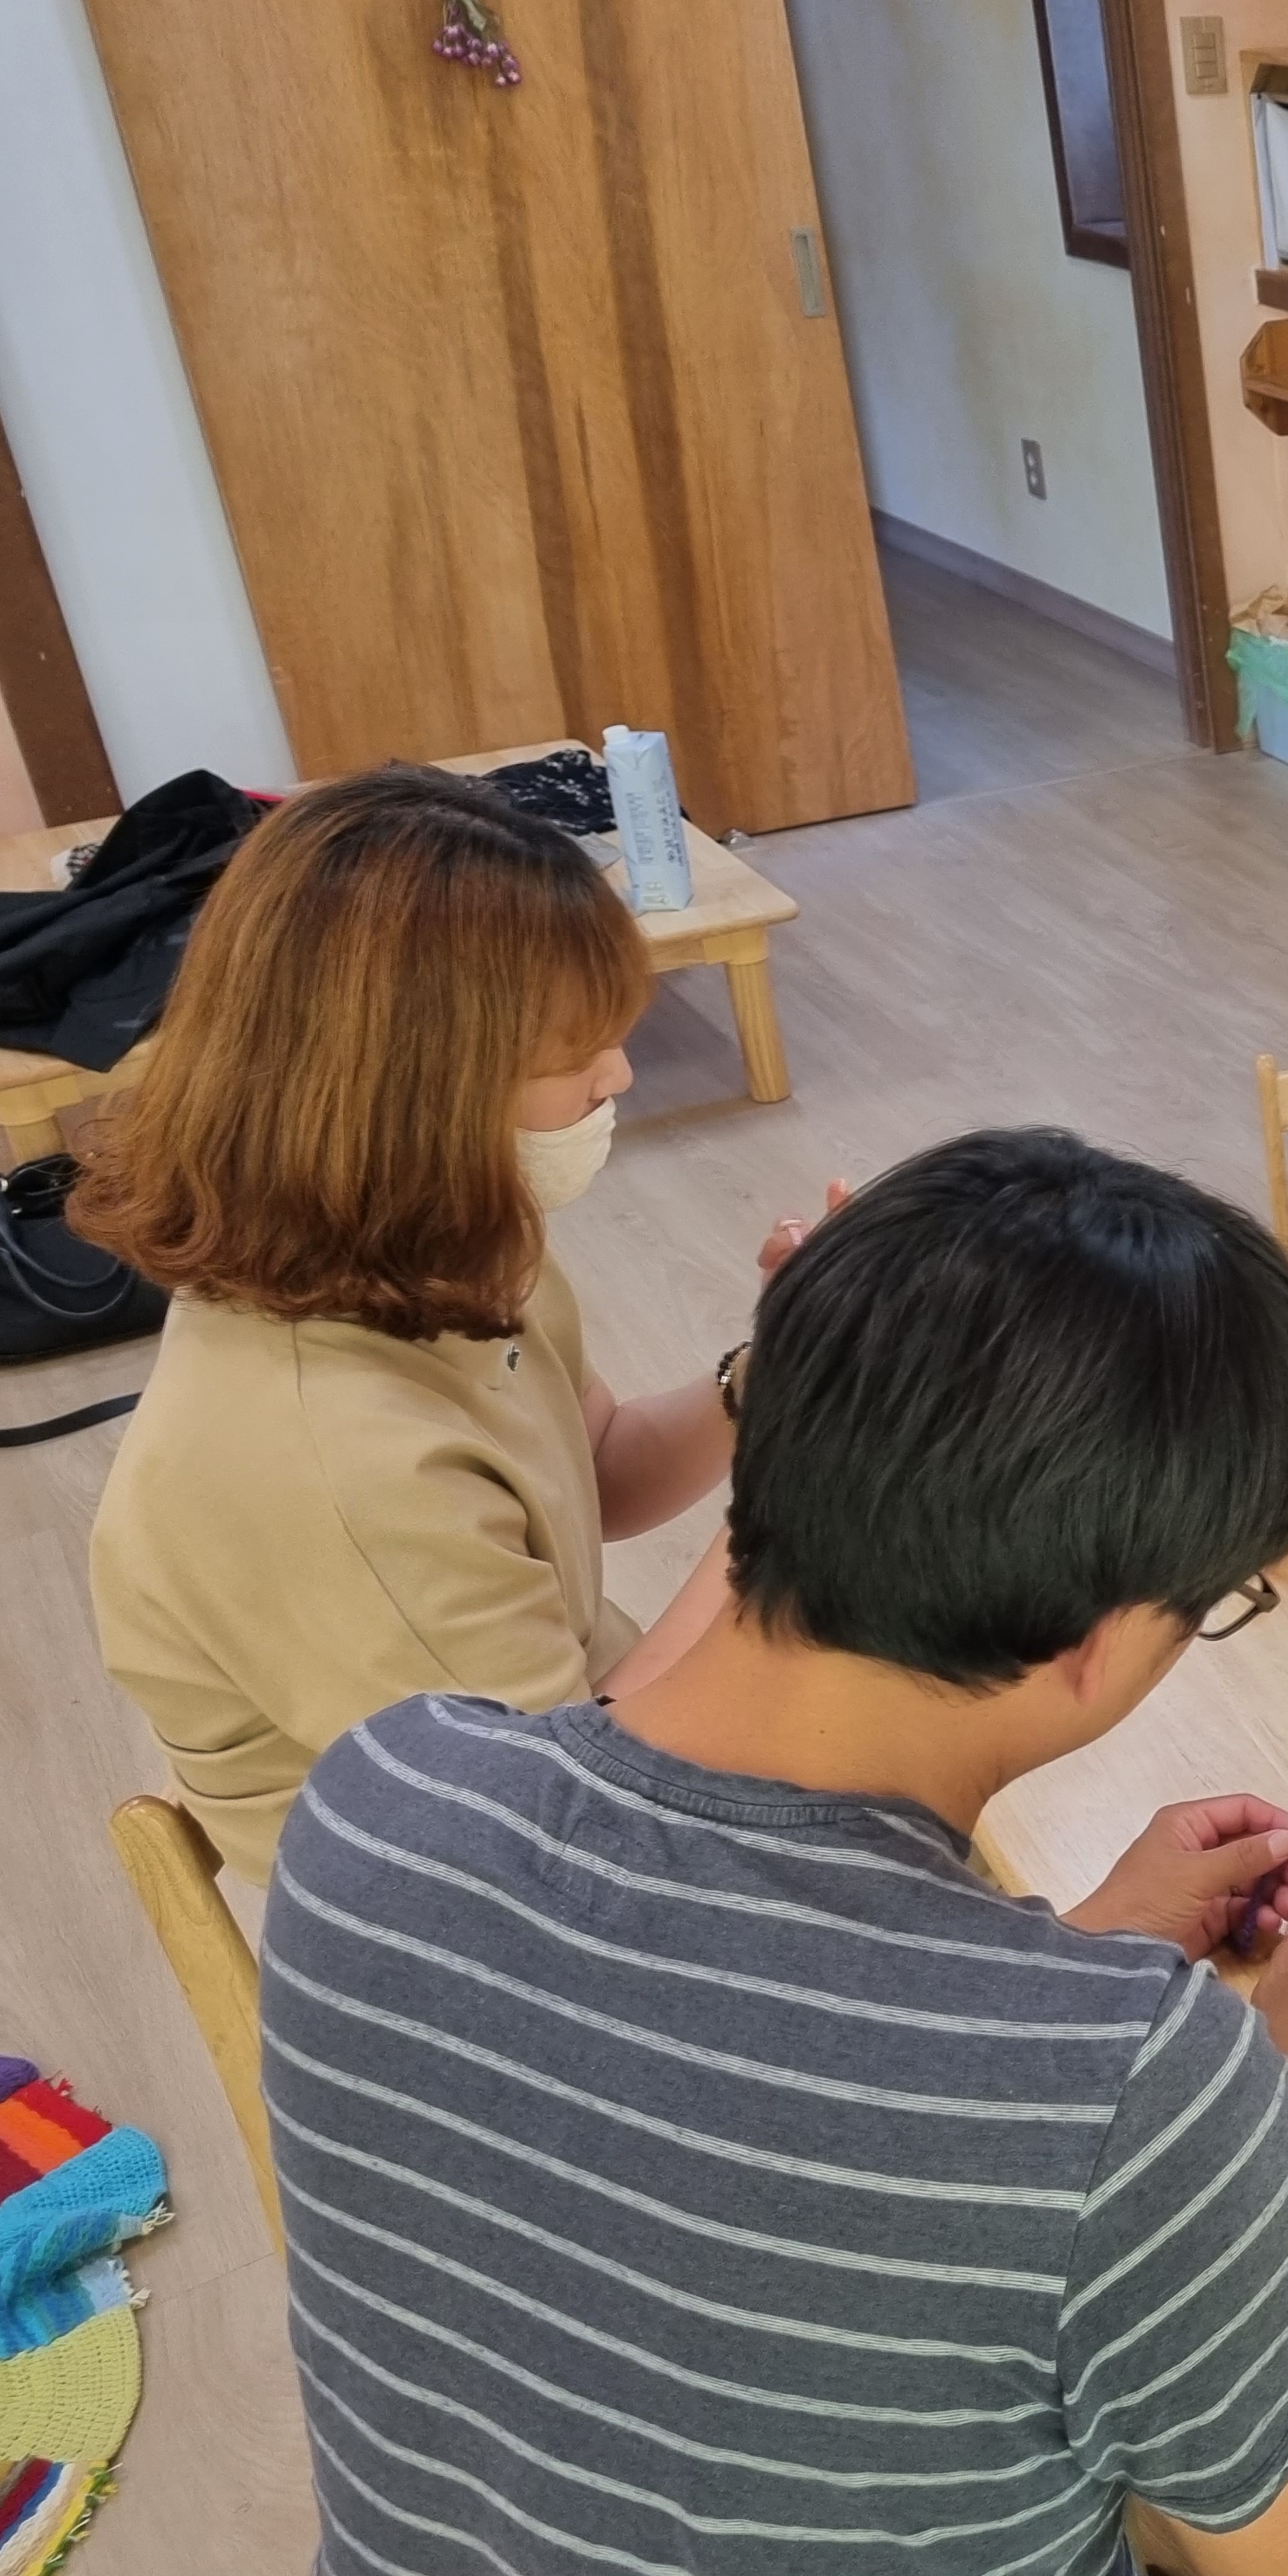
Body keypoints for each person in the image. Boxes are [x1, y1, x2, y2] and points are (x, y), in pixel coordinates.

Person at [257, 1125, 1288, 2576]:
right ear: (1098, 1637)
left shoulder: (380, 1803)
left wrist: (1077, 1953)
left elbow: (746, 2069)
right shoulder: (1133, 2091)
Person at [79, 764, 818, 1880]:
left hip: (576, 1758)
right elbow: (571, 1821)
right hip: (466, 1902)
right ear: (411, 1095)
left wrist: (786, 1372)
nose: (616, 1076)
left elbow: (597, 1468)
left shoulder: (435, 1246)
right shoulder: (332, 1459)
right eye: (571, 1056)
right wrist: (802, 1504)